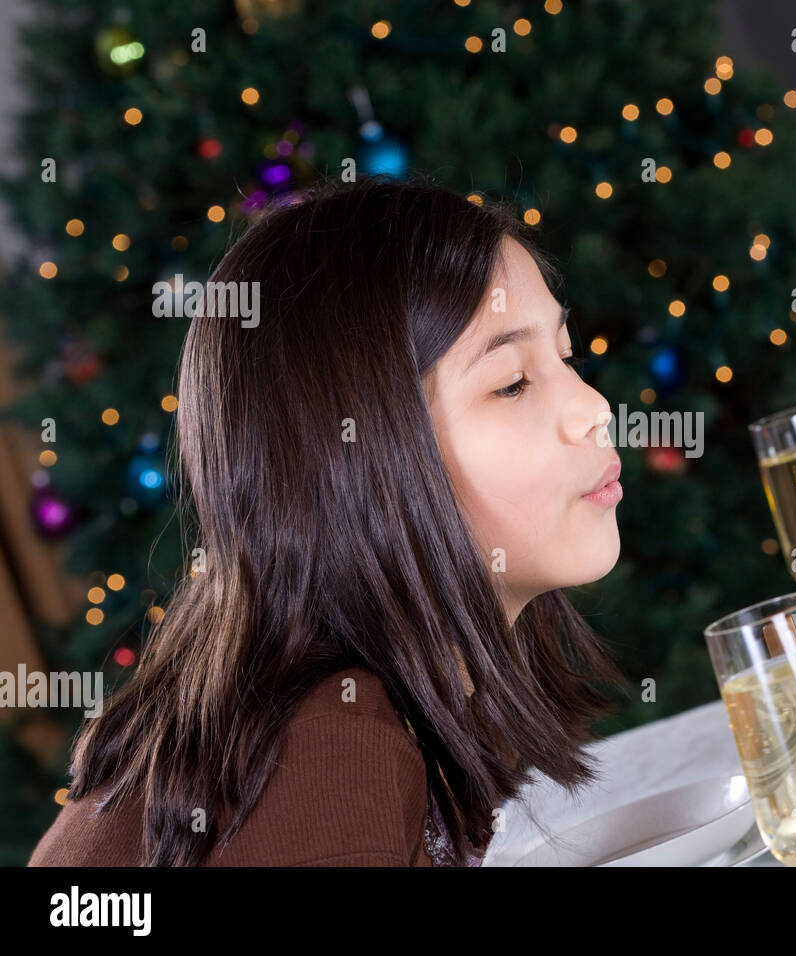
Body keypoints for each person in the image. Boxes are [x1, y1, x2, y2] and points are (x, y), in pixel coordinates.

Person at [29, 174, 629, 866]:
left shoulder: (326, 705)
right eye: (513, 382)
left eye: (566, 355)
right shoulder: (332, 747)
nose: (594, 407)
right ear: (360, 455)